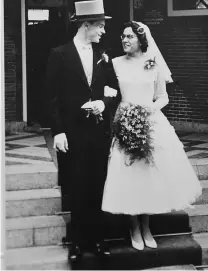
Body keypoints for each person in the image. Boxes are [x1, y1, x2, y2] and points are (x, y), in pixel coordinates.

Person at [101, 21, 202, 251]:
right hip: (125, 122)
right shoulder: (115, 64)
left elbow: (163, 96)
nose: (124, 40)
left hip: (151, 123)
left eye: (129, 36)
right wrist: (125, 116)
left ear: (141, 39)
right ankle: (133, 226)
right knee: (129, 175)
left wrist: (148, 111)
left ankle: (146, 226)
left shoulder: (151, 63)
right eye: (123, 37)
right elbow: (110, 93)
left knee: (148, 175)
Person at [45, 0, 119, 262]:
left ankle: (98, 240)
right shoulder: (60, 54)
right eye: (99, 25)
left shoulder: (103, 54)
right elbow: (51, 98)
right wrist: (59, 132)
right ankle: (77, 243)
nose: (103, 31)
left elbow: (113, 90)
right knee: (76, 186)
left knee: (97, 184)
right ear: (85, 25)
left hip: (97, 133)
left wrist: (103, 102)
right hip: (72, 133)